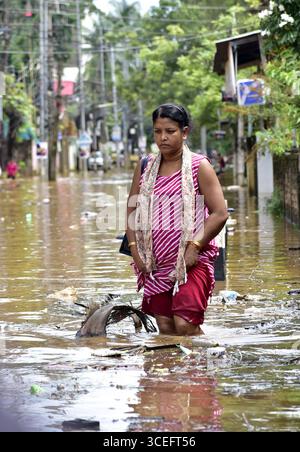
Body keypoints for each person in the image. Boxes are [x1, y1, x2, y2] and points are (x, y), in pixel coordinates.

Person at [126, 104, 228, 336]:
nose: (163, 138)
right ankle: (174, 372)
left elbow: (220, 213)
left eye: (170, 131)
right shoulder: (145, 166)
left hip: (192, 259)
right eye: (157, 131)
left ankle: (202, 367)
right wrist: (135, 251)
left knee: (185, 324)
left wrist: (195, 245)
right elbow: (132, 210)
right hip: (156, 262)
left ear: (184, 132)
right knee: (165, 328)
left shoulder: (198, 166)